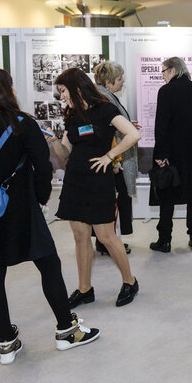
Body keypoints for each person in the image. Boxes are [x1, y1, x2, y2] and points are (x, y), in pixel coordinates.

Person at [0, 69, 99, 365]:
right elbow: (43, 166)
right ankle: (67, 330)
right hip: (20, 210)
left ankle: (6, 341)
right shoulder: (22, 124)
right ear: (6, 90)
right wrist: (40, 199)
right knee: (49, 264)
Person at [48, 68, 141, 307]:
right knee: (80, 237)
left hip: (99, 182)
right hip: (75, 182)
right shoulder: (72, 115)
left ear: (77, 88)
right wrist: (54, 142)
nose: (62, 97)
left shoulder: (105, 109)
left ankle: (129, 281)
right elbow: (65, 153)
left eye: (63, 91)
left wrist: (109, 156)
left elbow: (133, 134)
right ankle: (85, 288)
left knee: (106, 236)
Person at [149, 57, 192, 253]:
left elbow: (161, 126)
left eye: (163, 71)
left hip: (172, 153)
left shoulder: (166, 91)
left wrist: (160, 154)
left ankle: (165, 240)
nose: (162, 76)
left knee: (167, 194)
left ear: (173, 69)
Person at [93, 61, 139, 256]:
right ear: (108, 81)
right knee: (112, 202)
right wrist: (115, 159)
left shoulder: (104, 96)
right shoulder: (105, 98)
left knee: (112, 200)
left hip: (114, 158)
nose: (123, 82)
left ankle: (106, 241)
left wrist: (127, 125)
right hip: (114, 160)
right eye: (119, 79)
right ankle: (107, 242)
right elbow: (107, 132)